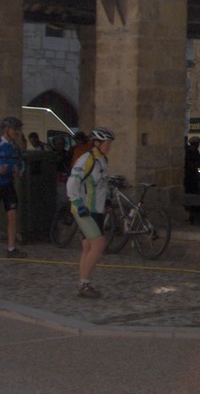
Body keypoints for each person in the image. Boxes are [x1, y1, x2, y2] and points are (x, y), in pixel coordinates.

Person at [66, 127, 115, 298]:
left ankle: (84, 282)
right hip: (85, 209)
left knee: (87, 247)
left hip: (97, 209)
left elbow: (102, 184)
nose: (110, 146)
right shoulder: (87, 159)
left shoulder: (102, 160)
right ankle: (84, 284)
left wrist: (107, 200)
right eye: (107, 143)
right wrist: (77, 202)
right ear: (97, 143)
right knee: (99, 244)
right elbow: (72, 182)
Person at [0, 116, 27, 258]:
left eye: (18, 129)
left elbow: (21, 164)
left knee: (12, 215)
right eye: (14, 129)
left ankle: (11, 248)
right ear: (6, 129)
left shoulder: (15, 147)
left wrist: (19, 172)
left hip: (8, 185)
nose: (17, 132)